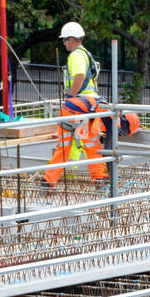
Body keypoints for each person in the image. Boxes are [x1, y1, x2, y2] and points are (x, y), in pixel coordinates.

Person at [44, 21, 109, 187]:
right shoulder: (86, 54)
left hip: (78, 104)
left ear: (72, 39)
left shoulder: (76, 55)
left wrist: (70, 98)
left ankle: (49, 180)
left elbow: (79, 76)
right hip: (92, 104)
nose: (64, 43)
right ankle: (99, 178)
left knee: (64, 143)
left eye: (65, 40)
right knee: (92, 143)